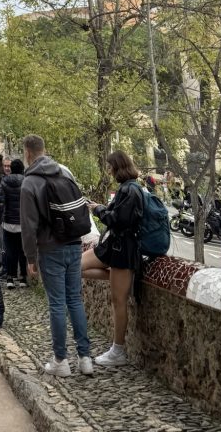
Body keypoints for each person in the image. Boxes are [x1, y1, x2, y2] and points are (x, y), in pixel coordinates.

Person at [20, 134, 93, 377]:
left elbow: (28, 226)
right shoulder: (64, 172)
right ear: (44, 149)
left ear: (27, 153)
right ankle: (85, 358)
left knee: (57, 304)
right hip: (74, 244)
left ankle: (61, 361)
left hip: (50, 249)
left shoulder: (29, 183)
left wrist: (30, 258)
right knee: (75, 300)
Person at [81, 150, 143, 368]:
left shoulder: (131, 190)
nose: (108, 171)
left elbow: (119, 221)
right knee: (76, 266)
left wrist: (99, 210)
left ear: (118, 166)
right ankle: (118, 280)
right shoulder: (128, 188)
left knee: (118, 302)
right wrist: (101, 208)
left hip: (122, 250)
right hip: (112, 247)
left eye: (110, 167)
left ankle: (118, 351)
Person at [0, 158, 27, 289]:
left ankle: (10, 278)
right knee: (22, 250)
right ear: (22, 169)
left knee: (9, 251)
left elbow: (0, 203)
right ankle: (23, 278)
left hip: (8, 222)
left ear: (12, 169)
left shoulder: (4, 181)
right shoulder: (26, 181)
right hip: (22, 223)